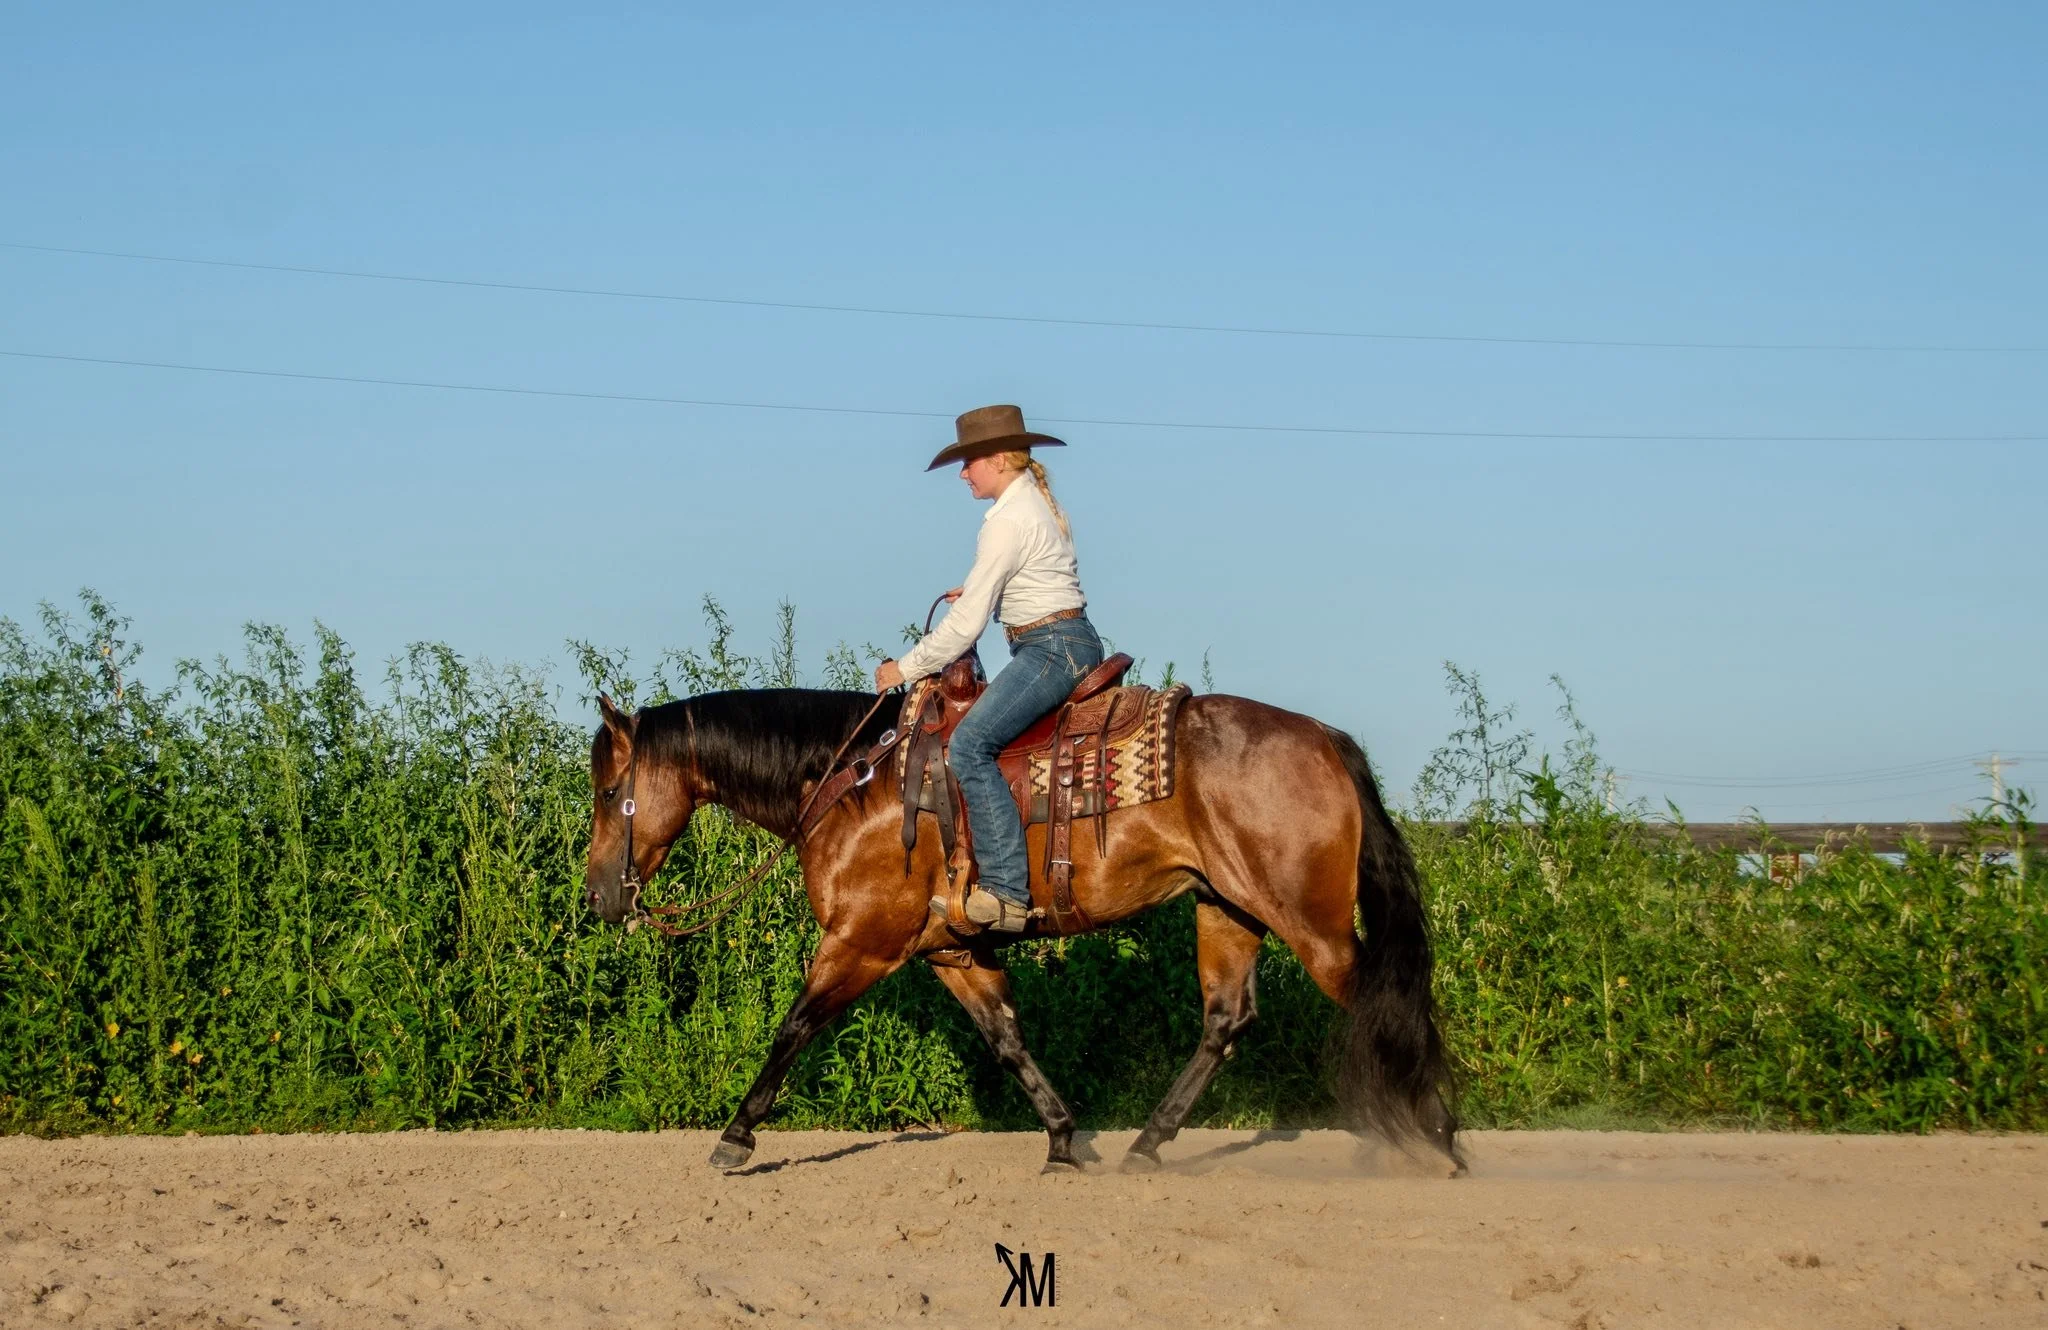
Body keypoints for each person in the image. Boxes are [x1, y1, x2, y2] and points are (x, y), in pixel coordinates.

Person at [874, 405, 1103, 932]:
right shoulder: (1031, 505)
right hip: (1063, 641)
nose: (962, 473)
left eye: (969, 461)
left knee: (971, 745)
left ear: (999, 459)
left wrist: (902, 669)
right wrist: (978, 588)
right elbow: (1029, 580)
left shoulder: (1007, 520)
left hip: (1050, 650)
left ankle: (1005, 892)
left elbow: (963, 630)